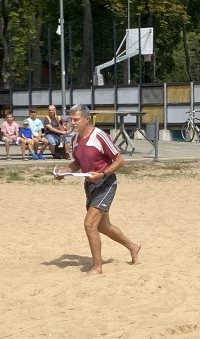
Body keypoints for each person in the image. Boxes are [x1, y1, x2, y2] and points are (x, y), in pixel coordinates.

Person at [53, 104, 140, 275]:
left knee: (90, 224)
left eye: (76, 119)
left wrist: (102, 173)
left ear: (87, 119)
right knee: (103, 226)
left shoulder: (100, 136)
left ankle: (97, 267)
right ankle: (133, 246)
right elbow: (78, 163)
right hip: (90, 184)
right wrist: (64, 171)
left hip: (106, 183)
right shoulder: (74, 139)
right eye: (71, 119)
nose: (73, 123)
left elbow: (119, 161)